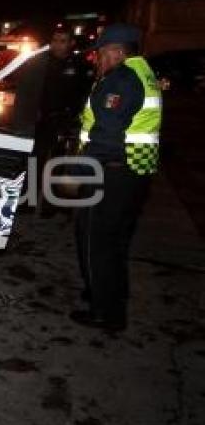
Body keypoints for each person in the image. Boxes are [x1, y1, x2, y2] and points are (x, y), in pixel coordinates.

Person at [70, 23, 161, 331]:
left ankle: (103, 311)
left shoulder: (120, 80)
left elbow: (107, 135)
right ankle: (111, 295)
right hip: (135, 172)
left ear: (117, 52)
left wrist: (80, 171)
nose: (98, 59)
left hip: (110, 173)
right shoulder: (145, 72)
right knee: (116, 241)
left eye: (101, 53)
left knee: (96, 241)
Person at [34, 27, 93, 216]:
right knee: (35, 161)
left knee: (61, 164)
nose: (59, 45)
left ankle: (54, 205)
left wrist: (77, 116)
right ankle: (28, 202)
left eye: (63, 40)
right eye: (56, 40)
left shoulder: (79, 65)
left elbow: (86, 92)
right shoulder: (40, 64)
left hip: (68, 121)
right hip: (43, 121)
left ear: (71, 43)